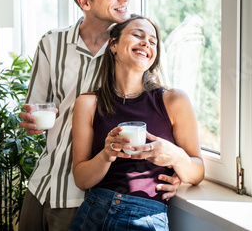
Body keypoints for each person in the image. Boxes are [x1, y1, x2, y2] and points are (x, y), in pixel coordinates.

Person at [18, 0, 181, 230]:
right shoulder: (51, 43)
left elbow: (160, 112)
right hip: (42, 185)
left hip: (86, 199)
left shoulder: (135, 49)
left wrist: (176, 167)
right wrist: (29, 121)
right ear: (85, 0)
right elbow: (35, 110)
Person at [69, 15, 204, 231]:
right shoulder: (88, 103)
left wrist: (174, 156)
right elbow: (82, 180)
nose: (146, 43)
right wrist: (106, 154)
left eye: (153, 41)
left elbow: (197, 171)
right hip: (94, 213)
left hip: (146, 217)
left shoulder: (174, 100)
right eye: (137, 35)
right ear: (113, 44)